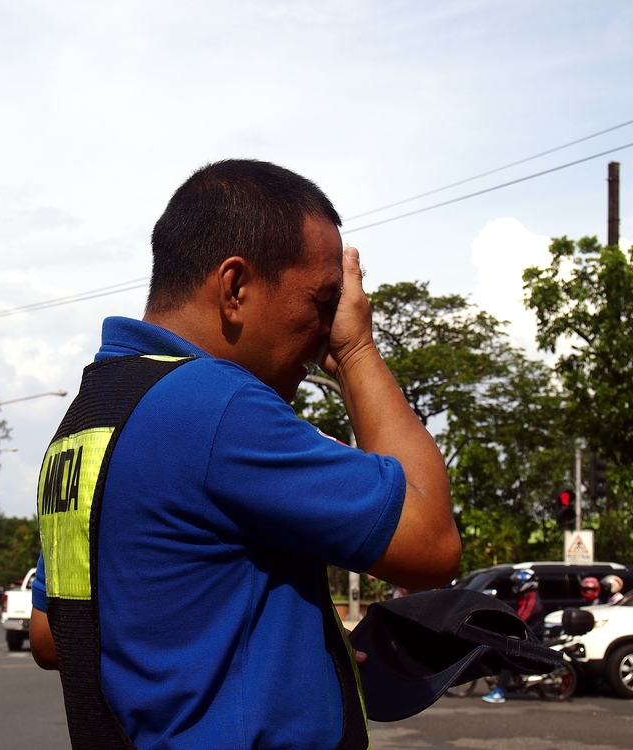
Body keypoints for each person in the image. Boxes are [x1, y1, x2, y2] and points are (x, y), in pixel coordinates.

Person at [29, 159, 461, 750]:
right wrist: (358, 349)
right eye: (322, 301)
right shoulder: (215, 405)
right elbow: (431, 542)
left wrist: (286, 651)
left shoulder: (88, 420)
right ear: (234, 288)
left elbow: (53, 635)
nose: (324, 331)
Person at [482, 569, 544, 704]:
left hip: (533, 637)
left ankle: (499, 691)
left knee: (510, 656)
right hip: (526, 634)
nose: (516, 586)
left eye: (519, 582)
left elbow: (521, 618)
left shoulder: (532, 599)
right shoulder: (525, 597)